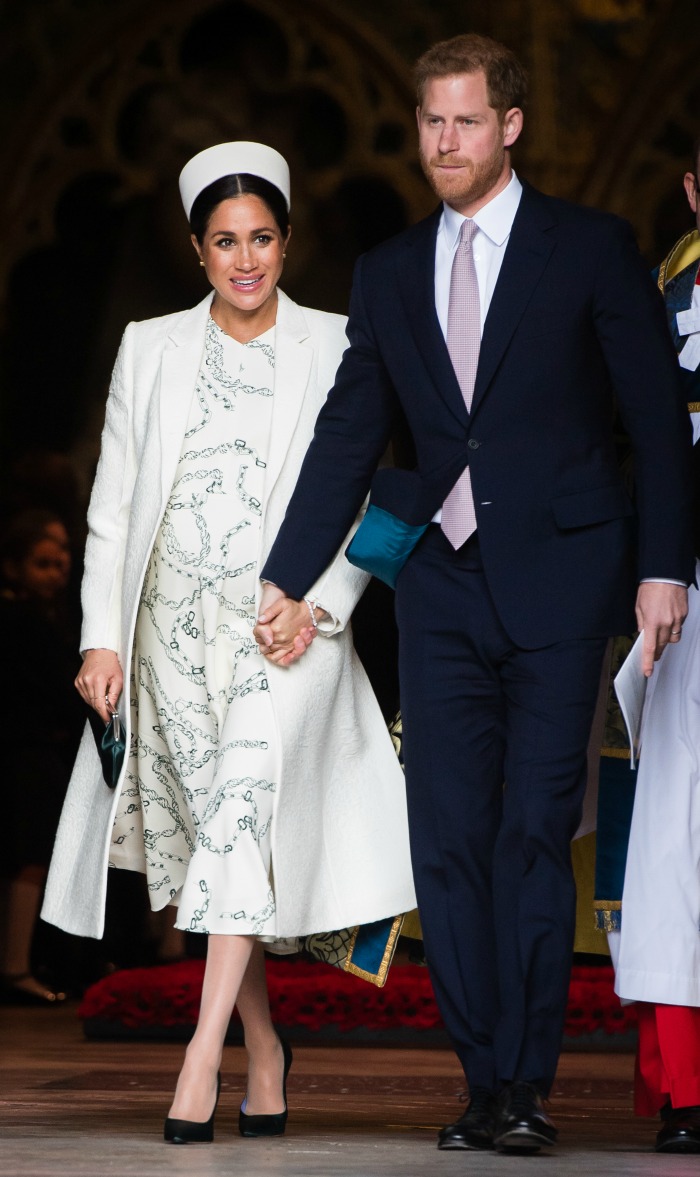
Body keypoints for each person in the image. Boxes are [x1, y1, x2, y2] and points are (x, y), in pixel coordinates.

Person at [255, 35, 694, 1154]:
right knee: (445, 844)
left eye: (463, 121)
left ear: (508, 126)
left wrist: (661, 566)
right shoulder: (391, 270)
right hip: (441, 594)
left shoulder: (590, 250)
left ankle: (529, 1085)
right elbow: (350, 431)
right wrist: (285, 575)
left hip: (561, 588)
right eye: (428, 123)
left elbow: (653, 423)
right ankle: (484, 1078)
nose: (442, 142)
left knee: (529, 840)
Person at [42, 141, 416, 1143]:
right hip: (169, 636)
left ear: (287, 242)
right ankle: (261, 1041)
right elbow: (114, 508)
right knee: (220, 850)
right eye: (223, 241)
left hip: (283, 636)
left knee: (242, 815)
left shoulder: (341, 343)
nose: (244, 258)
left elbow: (379, 500)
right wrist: (100, 640)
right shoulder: (148, 345)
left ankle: (200, 1057)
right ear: (197, 249)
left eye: (260, 238)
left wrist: (323, 603)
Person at [608, 136, 700, 1154]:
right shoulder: (652, 290)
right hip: (683, 589)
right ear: (689, 187)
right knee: (675, 835)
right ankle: (685, 1081)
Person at [0, 509, 82, 1003]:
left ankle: (24, 964)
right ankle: (14, 968)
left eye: (61, 560)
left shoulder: (49, 615)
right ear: (14, 567)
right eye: (42, 563)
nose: (57, 571)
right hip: (23, 753)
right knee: (28, 858)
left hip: (35, 749)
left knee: (31, 859)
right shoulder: (18, 619)